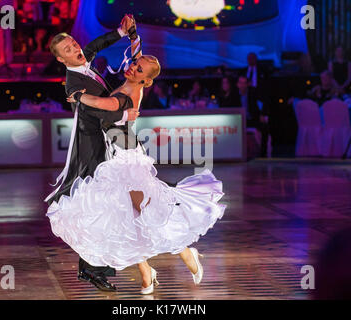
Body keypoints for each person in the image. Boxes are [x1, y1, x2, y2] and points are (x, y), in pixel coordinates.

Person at [49, 21, 225, 294]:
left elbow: (106, 105)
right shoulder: (127, 77)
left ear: (145, 80)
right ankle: (147, 271)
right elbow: (130, 55)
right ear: (62, 58)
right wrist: (129, 34)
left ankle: (184, 250)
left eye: (138, 68)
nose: (132, 67)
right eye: (69, 48)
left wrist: (80, 98)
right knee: (127, 216)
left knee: (146, 213)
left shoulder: (132, 89)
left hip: (126, 157)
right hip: (113, 154)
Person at [44, 15, 140, 292]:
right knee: (96, 208)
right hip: (92, 150)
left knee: (108, 205)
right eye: (68, 50)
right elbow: (97, 110)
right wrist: (124, 113)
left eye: (73, 43)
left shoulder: (82, 58)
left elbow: (97, 44)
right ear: (61, 60)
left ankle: (97, 264)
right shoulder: (73, 84)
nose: (75, 49)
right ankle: (90, 268)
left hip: (106, 143)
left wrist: (121, 31)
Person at [232, 76, 270, 157]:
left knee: (265, 127)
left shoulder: (253, 92)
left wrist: (262, 114)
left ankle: (263, 154)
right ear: (237, 84)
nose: (242, 85)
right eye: (240, 83)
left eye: (244, 83)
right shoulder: (234, 95)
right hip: (239, 121)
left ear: (247, 84)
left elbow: (264, 101)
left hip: (252, 119)